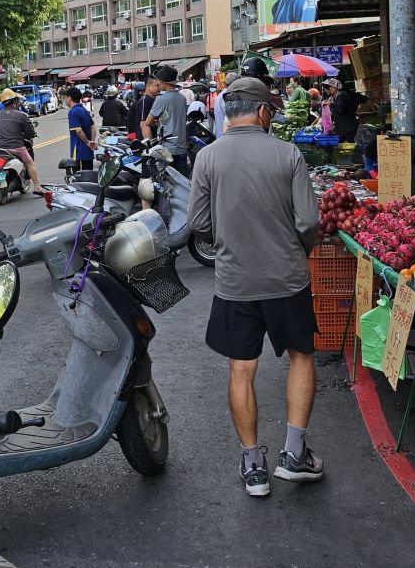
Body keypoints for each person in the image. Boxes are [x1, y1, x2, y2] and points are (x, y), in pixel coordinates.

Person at [186, 78, 322, 497]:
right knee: (300, 356)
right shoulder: (288, 154)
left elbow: (198, 224)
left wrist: (228, 241)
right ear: (263, 113)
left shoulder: (207, 158)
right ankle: (294, 455)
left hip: (234, 281)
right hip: (287, 279)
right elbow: (308, 223)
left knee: (241, 369)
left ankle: (253, 466)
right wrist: (296, 249)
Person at [0, 90, 43, 196]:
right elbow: (30, 132)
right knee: (29, 163)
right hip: (16, 147)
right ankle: (37, 187)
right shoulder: (21, 115)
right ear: (15, 102)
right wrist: (30, 135)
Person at [141, 66, 190, 176]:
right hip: (182, 146)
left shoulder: (161, 99)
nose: (158, 82)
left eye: (159, 80)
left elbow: (147, 122)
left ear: (164, 82)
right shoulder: (182, 98)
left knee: (167, 181)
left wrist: (159, 122)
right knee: (183, 180)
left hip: (167, 148)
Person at [65, 86, 97, 165]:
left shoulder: (73, 112)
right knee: (89, 175)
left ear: (69, 98)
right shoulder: (84, 110)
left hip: (79, 153)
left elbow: (78, 131)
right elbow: (93, 127)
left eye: (65, 98)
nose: (65, 100)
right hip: (88, 152)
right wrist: (92, 141)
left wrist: (87, 142)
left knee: (80, 176)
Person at [326, 77, 364, 142]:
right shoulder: (336, 97)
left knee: (350, 146)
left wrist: (331, 104)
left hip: (348, 128)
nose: (330, 88)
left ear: (337, 87)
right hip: (343, 129)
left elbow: (340, 109)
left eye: (332, 86)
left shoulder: (342, 96)